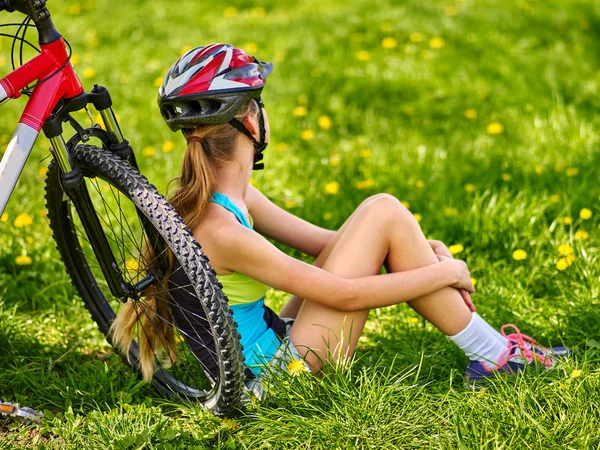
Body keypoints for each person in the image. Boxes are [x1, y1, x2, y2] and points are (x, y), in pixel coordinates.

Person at [112, 44, 568, 396]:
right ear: (249, 119)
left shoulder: (229, 198)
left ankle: (494, 354)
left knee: (380, 214)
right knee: (384, 209)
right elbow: (345, 294)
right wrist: (446, 271)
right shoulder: (220, 228)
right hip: (276, 380)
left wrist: (419, 251)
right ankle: (494, 356)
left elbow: (333, 243)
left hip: (275, 343)